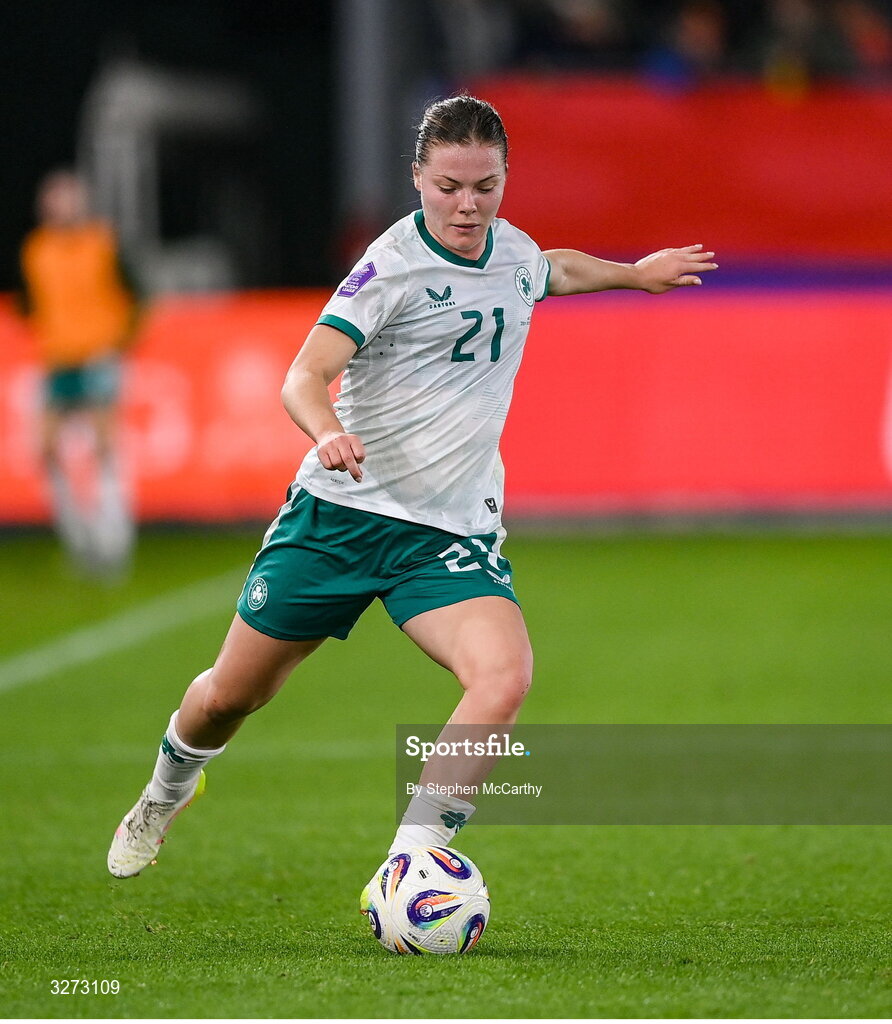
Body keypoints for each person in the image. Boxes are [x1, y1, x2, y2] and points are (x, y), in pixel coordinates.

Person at [107, 96, 717, 893]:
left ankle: (414, 856)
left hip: (446, 533)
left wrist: (634, 275)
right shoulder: (389, 268)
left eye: (486, 186)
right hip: (340, 517)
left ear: (504, 179)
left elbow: (552, 269)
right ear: (417, 179)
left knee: (503, 676)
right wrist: (326, 430)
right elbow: (304, 374)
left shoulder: (511, 250)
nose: (468, 205)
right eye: (449, 186)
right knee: (230, 696)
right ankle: (166, 792)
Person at [19, 169, 142, 577]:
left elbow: (138, 293)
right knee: (47, 448)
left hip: (98, 356)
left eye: (69, 198)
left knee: (106, 443)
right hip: (57, 358)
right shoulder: (36, 250)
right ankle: (80, 539)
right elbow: (29, 302)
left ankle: (114, 540)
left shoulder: (103, 242)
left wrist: (117, 340)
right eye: (55, 199)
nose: (61, 207)